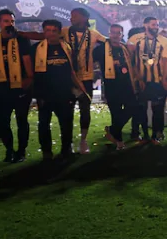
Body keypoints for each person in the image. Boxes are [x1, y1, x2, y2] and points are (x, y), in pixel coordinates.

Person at [33, 19, 87, 160]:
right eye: (48, 30)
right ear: (44, 32)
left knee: (66, 123)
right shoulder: (36, 48)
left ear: (59, 32)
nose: (51, 33)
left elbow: (73, 70)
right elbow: (32, 73)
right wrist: (38, 93)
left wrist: (77, 88)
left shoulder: (67, 48)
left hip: (65, 93)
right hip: (45, 93)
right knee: (44, 124)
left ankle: (66, 150)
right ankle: (46, 152)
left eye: (54, 31)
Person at [0, 9, 33, 162]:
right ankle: (9, 150)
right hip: (1, 85)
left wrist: (29, 78)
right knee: (2, 121)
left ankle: (21, 151)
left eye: (12, 21)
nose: (10, 24)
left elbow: (27, 60)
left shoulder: (21, 39)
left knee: (21, 120)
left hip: (20, 84)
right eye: (6, 21)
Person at [61, 8, 105, 154]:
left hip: (86, 78)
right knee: (67, 111)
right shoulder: (64, 31)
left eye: (74, 16)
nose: (71, 18)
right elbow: (45, 36)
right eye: (71, 15)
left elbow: (108, 42)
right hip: (68, 78)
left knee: (85, 110)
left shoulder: (93, 34)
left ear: (84, 18)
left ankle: (83, 140)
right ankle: (67, 143)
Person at [96, 24, 141, 149]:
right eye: (113, 32)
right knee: (115, 114)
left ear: (122, 35)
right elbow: (90, 61)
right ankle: (119, 142)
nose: (115, 35)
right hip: (111, 87)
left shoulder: (125, 48)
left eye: (118, 33)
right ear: (109, 34)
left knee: (132, 108)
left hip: (127, 86)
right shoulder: (101, 49)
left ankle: (112, 130)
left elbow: (133, 64)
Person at [128, 16, 167, 143]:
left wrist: (165, 78)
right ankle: (139, 133)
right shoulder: (135, 39)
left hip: (158, 81)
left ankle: (157, 134)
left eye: (157, 25)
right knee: (140, 109)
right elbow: (131, 60)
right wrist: (137, 78)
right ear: (145, 25)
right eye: (153, 24)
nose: (156, 27)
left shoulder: (164, 40)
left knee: (158, 109)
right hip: (141, 80)